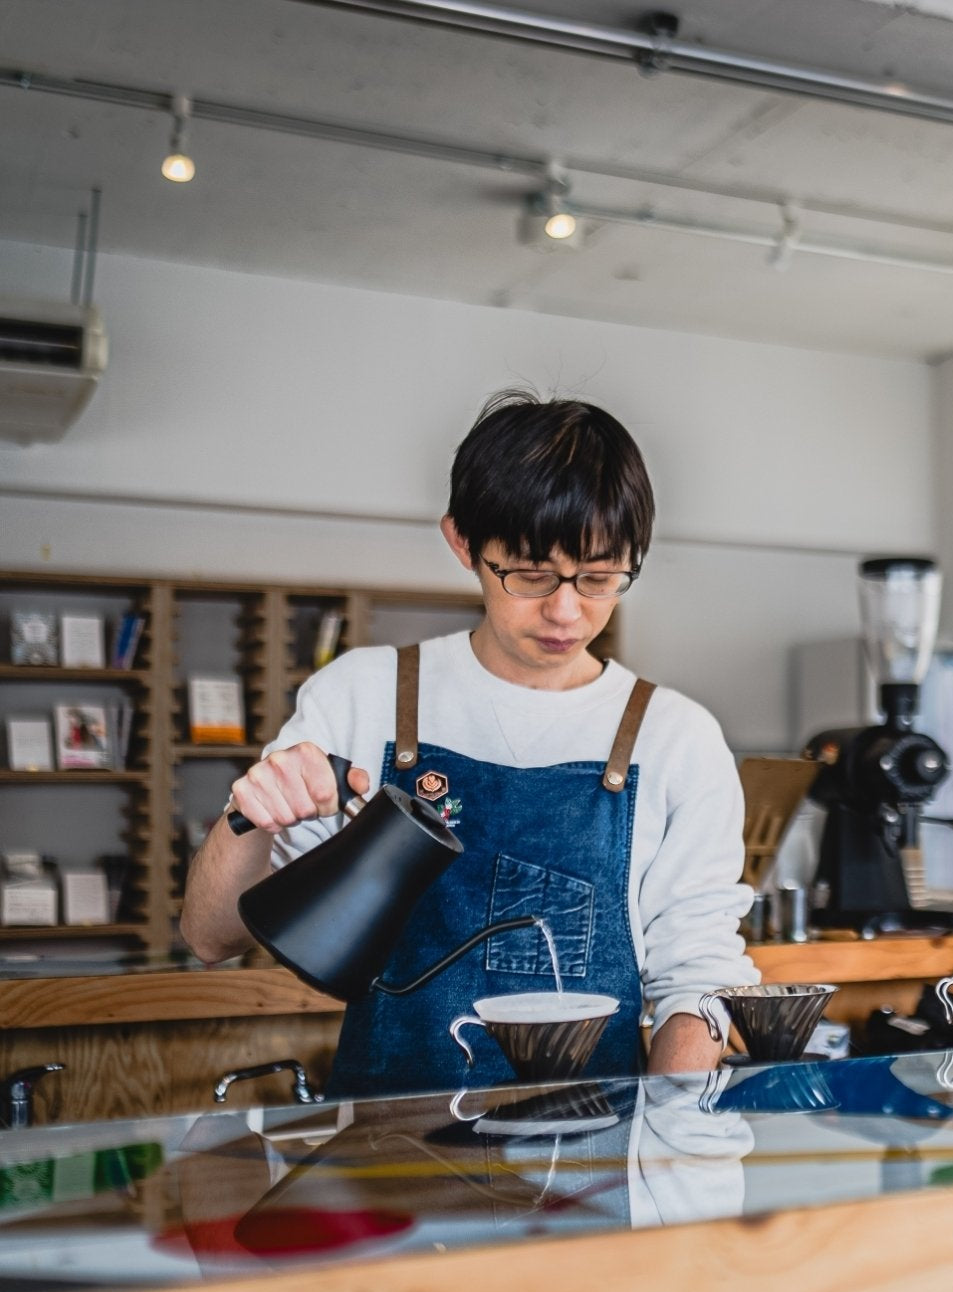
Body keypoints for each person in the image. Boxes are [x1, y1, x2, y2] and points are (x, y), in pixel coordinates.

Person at [182, 390, 758, 1097]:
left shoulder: (677, 738)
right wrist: (250, 813)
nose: (566, 610)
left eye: (601, 576)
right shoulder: (364, 694)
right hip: (383, 1166)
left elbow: (696, 980)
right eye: (530, 572)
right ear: (462, 542)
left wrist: (672, 1137)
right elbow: (211, 937)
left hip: (591, 1167)